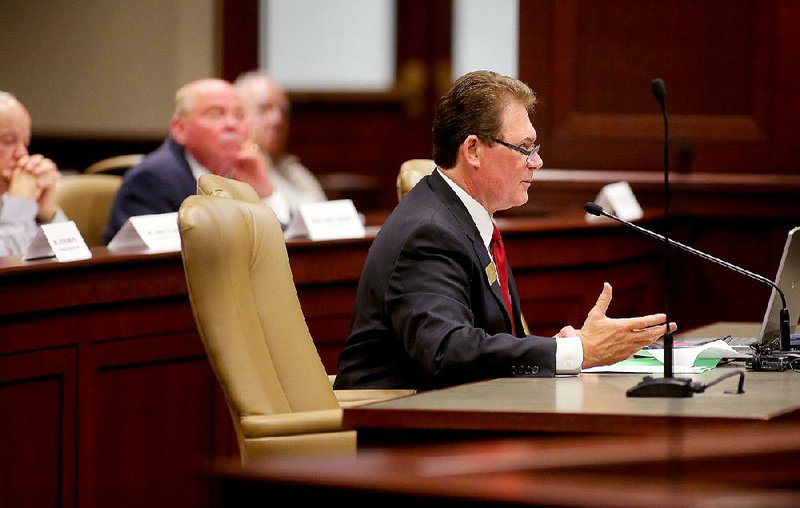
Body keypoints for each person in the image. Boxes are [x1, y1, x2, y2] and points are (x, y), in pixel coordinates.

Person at [333, 70, 676, 391]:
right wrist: (574, 352)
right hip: (401, 431)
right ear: (473, 151)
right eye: (524, 148)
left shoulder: (468, 220)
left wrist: (559, 349)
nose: (536, 161)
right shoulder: (428, 233)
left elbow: (483, 340)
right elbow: (446, 351)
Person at [103, 78, 275, 243]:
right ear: (180, 129)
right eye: (215, 115)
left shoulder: (245, 171)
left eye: (238, 115)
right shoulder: (151, 179)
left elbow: (282, 247)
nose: (232, 124)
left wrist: (265, 194)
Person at [234, 71, 326, 225]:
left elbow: (326, 218)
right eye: (264, 109)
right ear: (239, 116)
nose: (278, 119)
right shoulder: (232, 171)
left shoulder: (291, 167)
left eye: (283, 111)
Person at [0, 91, 66, 256]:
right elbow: (7, 264)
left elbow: (71, 257)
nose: (22, 154)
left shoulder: (16, 199)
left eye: (26, 142)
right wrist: (19, 203)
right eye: (9, 141)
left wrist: (45, 213)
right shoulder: (19, 201)